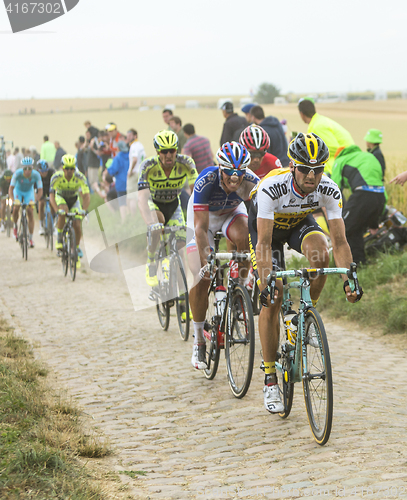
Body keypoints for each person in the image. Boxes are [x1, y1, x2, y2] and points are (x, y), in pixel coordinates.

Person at [248, 133, 362, 413]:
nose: (312, 176)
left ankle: (303, 317)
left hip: (298, 222)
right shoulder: (270, 188)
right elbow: (263, 243)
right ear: (292, 166)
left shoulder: (328, 188)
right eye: (305, 169)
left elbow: (339, 242)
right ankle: (270, 379)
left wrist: (349, 279)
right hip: (268, 231)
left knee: (321, 254)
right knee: (273, 298)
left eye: (318, 169)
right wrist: (265, 283)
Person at [187, 142, 259, 369]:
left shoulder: (252, 181)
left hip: (231, 214)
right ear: (220, 168)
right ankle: (199, 340)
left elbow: (260, 220)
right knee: (202, 277)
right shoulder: (206, 180)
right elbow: (199, 229)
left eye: (240, 172)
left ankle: (241, 286)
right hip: (203, 220)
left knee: (247, 234)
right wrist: (207, 260)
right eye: (229, 171)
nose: (235, 178)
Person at [137, 130, 198, 287]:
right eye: (164, 151)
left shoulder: (186, 163)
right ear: (158, 151)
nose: (168, 155)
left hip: (174, 205)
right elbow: (142, 199)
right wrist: (150, 223)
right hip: (154, 204)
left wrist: (197, 222)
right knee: (158, 224)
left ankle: (183, 306)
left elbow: (196, 195)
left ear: (177, 149)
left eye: (172, 150)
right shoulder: (148, 166)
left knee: (179, 251)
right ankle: (151, 261)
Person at [331, 145, 386, 265]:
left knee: (344, 228)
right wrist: (374, 222)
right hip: (380, 196)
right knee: (357, 228)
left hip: (363, 195)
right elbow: (379, 182)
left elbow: (334, 189)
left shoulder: (340, 160)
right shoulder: (367, 156)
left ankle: (343, 265)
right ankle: (360, 262)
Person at [49, 154, 90, 267]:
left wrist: (84, 210)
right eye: (67, 168)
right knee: (63, 211)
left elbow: (86, 196)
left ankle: (75, 249)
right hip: (61, 198)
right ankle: (59, 236)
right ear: (62, 168)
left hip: (74, 200)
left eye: (72, 168)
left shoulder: (80, 177)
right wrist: (57, 210)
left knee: (77, 224)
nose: (69, 171)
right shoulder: (56, 177)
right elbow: (51, 195)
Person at [298, 98, 354, 176]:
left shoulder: (318, 126)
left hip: (335, 167)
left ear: (301, 114)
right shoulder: (319, 122)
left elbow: (334, 148)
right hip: (343, 163)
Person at [9, 157, 43, 248]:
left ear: (32, 168)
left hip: (29, 193)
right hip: (18, 191)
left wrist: (36, 200)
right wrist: (12, 200)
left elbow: (40, 190)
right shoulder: (17, 174)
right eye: (25, 168)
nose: (27, 171)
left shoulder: (36, 175)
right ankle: (15, 226)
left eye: (29, 168)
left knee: (30, 212)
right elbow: (11, 189)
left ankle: (31, 239)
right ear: (22, 168)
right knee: (16, 207)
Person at [106, 141, 129, 220]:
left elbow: (112, 170)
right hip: (130, 182)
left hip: (121, 184)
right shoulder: (130, 155)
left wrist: (108, 168)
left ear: (118, 148)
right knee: (128, 201)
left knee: (122, 202)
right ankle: (131, 219)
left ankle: (124, 220)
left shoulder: (118, 157)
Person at [127, 129, 146, 214]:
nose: (128, 137)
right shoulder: (141, 145)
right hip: (140, 172)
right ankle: (141, 214)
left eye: (130, 136)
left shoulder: (134, 146)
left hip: (134, 173)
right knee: (140, 196)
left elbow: (134, 159)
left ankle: (133, 216)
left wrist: (130, 171)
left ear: (135, 136)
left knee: (131, 197)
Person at [36, 159, 55, 235]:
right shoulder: (36, 174)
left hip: (50, 188)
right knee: (41, 204)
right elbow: (35, 187)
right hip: (41, 189)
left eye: (46, 171)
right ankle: (41, 225)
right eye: (42, 172)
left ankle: (53, 222)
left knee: (52, 203)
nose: (44, 173)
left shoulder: (52, 172)